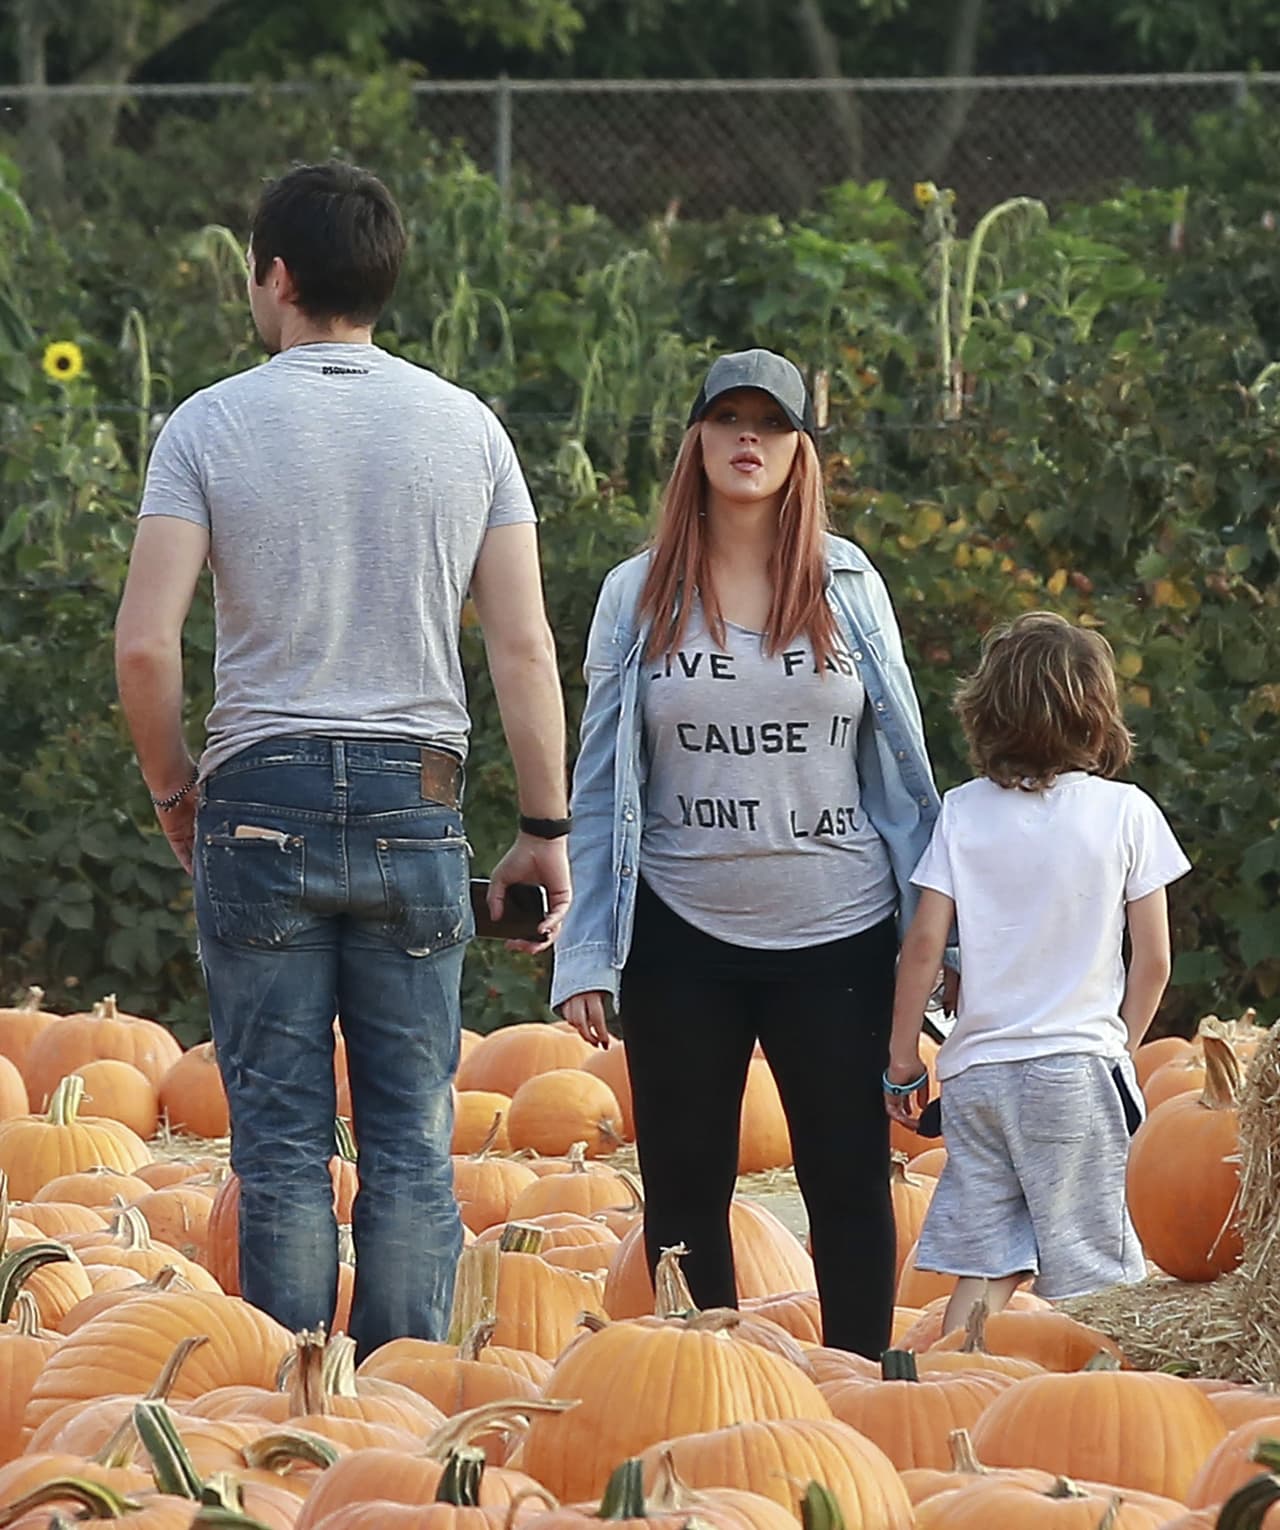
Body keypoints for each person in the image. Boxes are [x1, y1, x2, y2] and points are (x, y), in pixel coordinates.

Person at [114, 160, 572, 1359]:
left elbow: (145, 649)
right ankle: (404, 1409)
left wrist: (176, 794)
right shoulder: (466, 427)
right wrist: (543, 827)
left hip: (256, 798)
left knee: (277, 1141)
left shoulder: (209, 424)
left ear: (274, 277)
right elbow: (523, 650)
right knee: (414, 1140)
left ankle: (291, 1418)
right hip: (414, 799)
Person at [551, 348, 945, 1357]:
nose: (745, 440)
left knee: (848, 1177)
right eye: (725, 419)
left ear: (798, 449)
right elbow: (599, 783)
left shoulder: (849, 584)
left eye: (768, 425)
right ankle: (706, 1381)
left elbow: (900, 770)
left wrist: (935, 938)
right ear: (693, 440)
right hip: (682, 930)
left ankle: (861, 1387)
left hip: (840, 929)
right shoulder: (635, 595)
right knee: (684, 1189)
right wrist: (586, 949)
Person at [885, 611, 1190, 1334]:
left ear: (986, 712)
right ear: (1097, 716)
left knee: (988, 1265)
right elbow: (1154, 958)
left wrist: (902, 1061)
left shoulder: (961, 812)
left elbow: (924, 945)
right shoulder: (1126, 812)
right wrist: (1120, 1042)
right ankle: (1100, 1410)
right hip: (1077, 1073)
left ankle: (951, 1388)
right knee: (1097, 1274)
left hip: (978, 1077)